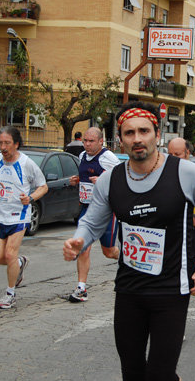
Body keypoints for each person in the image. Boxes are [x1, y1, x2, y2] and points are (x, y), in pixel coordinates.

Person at [63, 102, 195, 381]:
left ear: (157, 134)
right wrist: (79, 240)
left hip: (170, 291)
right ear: (120, 139)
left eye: (144, 131)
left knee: (160, 374)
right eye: (129, 133)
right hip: (129, 290)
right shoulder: (111, 179)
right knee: (132, 373)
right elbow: (92, 221)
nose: (137, 139)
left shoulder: (184, 173)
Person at [0, 126, 48, 309]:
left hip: (19, 216)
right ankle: (20, 263)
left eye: (7, 143)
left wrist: (30, 198)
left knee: (9, 254)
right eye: (0, 143)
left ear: (16, 144)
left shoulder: (27, 164)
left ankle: (10, 294)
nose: (3, 147)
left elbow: (43, 186)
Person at [67, 127, 120, 302]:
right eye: (85, 141)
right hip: (86, 209)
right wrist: (76, 180)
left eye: (91, 141)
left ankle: (129, 262)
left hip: (105, 211)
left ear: (100, 142)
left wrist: (103, 182)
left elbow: (122, 181)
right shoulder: (82, 156)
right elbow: (85, 177)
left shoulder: (108, 158)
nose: (87, 145)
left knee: (109, 252)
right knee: (82, 247)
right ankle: (81, 288)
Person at [168, 137, 195, 321]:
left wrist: (194, 219)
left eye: (177, 155)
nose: (173, 158)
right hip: (172, 234)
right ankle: (176, 324)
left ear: (187, 153)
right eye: (169, 154)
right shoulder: (163, 174)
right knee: (173, 281)